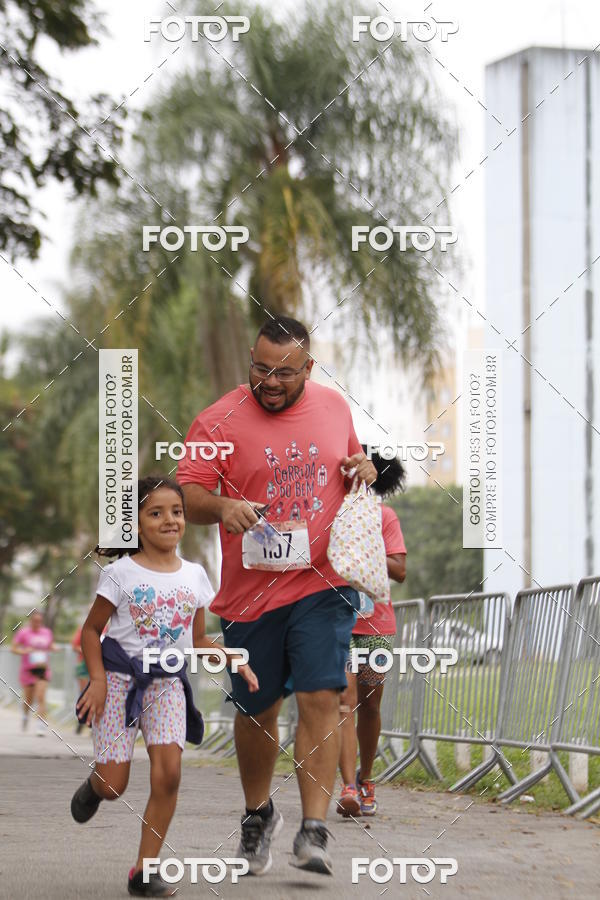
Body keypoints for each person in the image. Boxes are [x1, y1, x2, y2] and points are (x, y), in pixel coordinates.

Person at [177, 315, 377, 877]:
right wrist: (222, 508)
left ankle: (314, 830)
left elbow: (353, 463)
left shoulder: (335, 408)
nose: (270, 380)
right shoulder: (219, 418)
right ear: (251, 357)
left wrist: (364, 467)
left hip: (322, 581)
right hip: (250, 593)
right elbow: (187, 493)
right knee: (257, 708)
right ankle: (259, 814)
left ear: (308, 369)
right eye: (261, 367)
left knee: (321, 696)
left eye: (284, 373)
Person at [70, 476, 258, 898]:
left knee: (169, 774)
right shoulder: (119, 573)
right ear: (135, 524)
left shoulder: (194, 575)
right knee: (115, 784)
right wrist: (97, 680)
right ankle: (95, 787)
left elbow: (199, 641)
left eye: (176, 512)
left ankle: (145, 871)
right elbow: (91, 630)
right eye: (155, 513)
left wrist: (236, 659)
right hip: (119, 681)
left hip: (168, 684)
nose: (169, 520)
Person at [337, 449, 407, 817]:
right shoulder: (332, 514)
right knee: (344, 700)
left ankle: (366, 777)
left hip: (377, 625)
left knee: (370, 704)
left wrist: (366, 541)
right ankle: (348, 786)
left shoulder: (385, 517)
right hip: (337, 622)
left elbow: (399, 570)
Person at [11, 610, 59, 735]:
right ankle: (25, 715)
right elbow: (14, 649)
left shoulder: (47, 632)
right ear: (31, 621)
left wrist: (54, 648)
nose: (37, 623)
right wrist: (25, 651)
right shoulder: (23, 633)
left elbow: (50, 645)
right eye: (35, 621)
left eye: (39, 621)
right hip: (28, 669)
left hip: (42, 669)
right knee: (29, 700)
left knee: (41, 696)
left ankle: (41, 724)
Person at [71, 624, 89, 734]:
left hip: (100, 665)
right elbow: (74, 646)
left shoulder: (108, 629)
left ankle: (93, 721)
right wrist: (87, 650)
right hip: (84, 664)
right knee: (84, 693)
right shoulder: (83, 628)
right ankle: (81, 720)